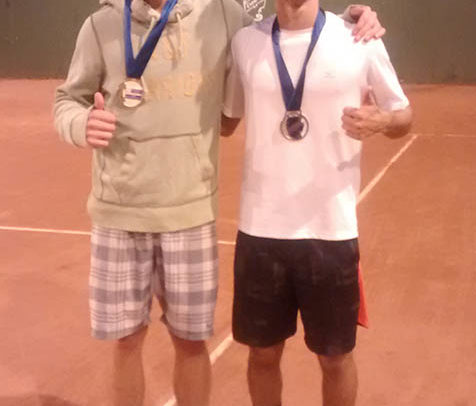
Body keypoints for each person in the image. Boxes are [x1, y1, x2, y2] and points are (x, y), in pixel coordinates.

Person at [53, 0, 385, 405]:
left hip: (190, 213)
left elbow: (288, 24)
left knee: (191, 341)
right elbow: (67, 99)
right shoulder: (100, 26)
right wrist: (80, 122)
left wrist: (347, 22)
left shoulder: (220, 14)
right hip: (119, 213)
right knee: (126, 341)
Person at [221, 0, 413, 404]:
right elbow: (226, 118)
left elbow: (403, 115)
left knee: (335, 358)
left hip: (330, 232)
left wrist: (383, 121)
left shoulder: (358, 38)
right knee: (262, 354)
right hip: (260, 231)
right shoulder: (245, 43)